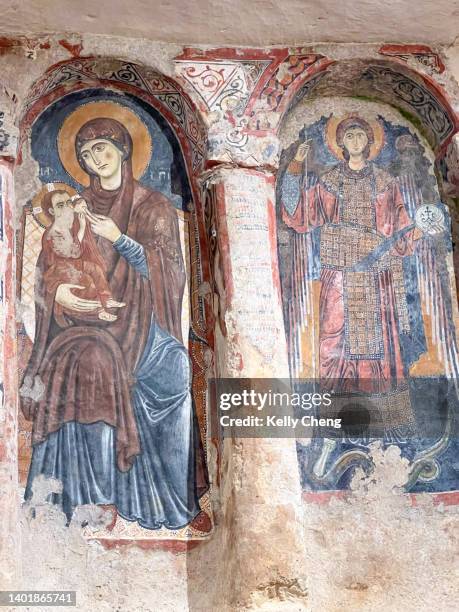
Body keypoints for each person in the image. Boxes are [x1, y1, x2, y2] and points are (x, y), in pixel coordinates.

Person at [21, 117, 209, 530]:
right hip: (85, 325)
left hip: (143, 321)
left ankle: (169, 501)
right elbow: (49, 262)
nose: (94, 159)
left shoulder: (151, 205)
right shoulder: (74, 206)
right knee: (93, 365)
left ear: (124, 150)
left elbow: (170, 273)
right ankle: (92, 501)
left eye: (102, 149)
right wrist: (57, 295)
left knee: (176, 369)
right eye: (86, 154)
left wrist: (120, 239)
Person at [280, 116, 419, 432]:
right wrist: (294, 168)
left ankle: (383, 416)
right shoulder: (329, 182)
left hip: (374, 271)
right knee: (334, 335)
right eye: (350, 135)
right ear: (341, 143)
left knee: (379, 342)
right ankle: (335, 414)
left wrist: (418, 232)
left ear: (369, 142)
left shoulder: (385, 182)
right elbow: (298, 213)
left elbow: (402, 228)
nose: (356, 140)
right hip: (339, 268)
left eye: (361, 134)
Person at [40, 188, 124, 323]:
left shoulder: (66, 226)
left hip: (71, 264)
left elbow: (75, 250)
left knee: (96, 269)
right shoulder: (53, 233)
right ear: (51, 211)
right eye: (61, 205)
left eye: (68, 203)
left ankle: (106, 299)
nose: (67, 207)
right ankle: (100, 311)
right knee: (87, 281)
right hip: (60, 270)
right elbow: (72, 252)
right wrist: (82, 228)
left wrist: (82, 213)